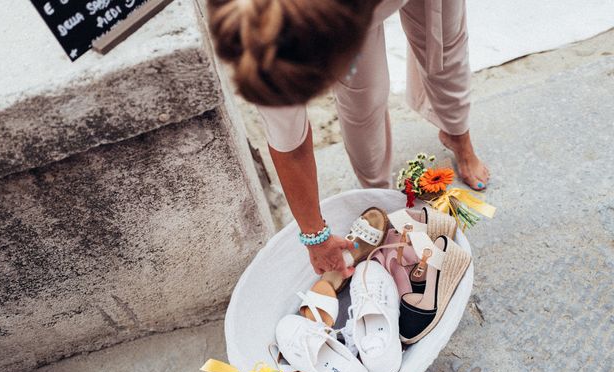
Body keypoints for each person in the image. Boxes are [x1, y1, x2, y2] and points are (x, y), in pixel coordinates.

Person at [207, 0, 489, 279]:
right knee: (363, 95)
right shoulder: (260, 35)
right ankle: (377, 195)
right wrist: (315, 236)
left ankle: (456, 133)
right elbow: (289, 147)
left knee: (443, 46)